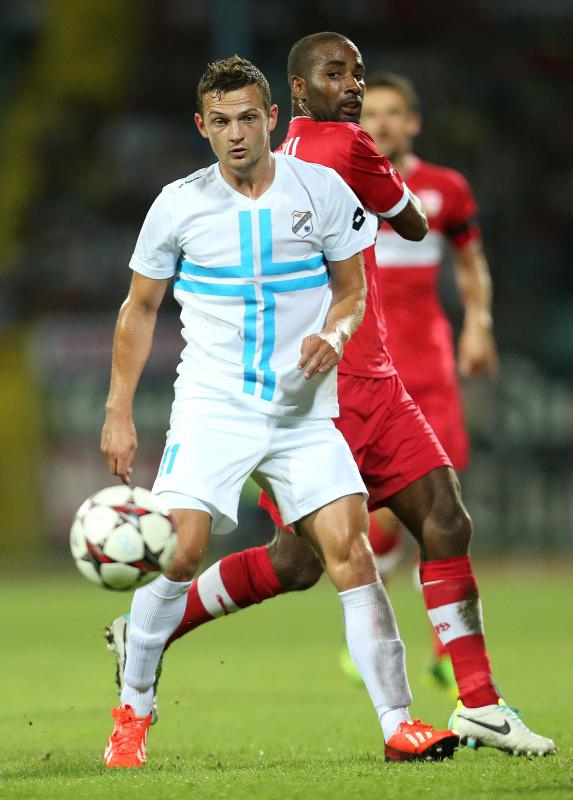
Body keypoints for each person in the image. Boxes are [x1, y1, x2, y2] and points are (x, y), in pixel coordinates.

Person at [106, 34, 556, 758]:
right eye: (339, 77)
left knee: (410, 529)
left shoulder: (324, 173)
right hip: (294, 395)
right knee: (275, 558)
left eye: (363, 80)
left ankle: (452, 709)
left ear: (270, 115)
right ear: (295, 93)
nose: (354, 93)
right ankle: (146, 654)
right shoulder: (329, 157)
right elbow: (409, 222)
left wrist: (438, 323)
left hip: (356, 384)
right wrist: (118, 409)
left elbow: (365, 283)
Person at [350, 71, 499, 693]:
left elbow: (470, 262)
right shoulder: (342, 191)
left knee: (440, 513)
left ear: (413, 122)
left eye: (393, 113)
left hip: (430, 370)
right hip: (369, 372)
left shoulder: (445, 191)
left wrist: (478, 324)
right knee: (380, 521)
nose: (381, 124)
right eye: (370, 114)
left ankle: (444, 650)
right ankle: (376, 631)